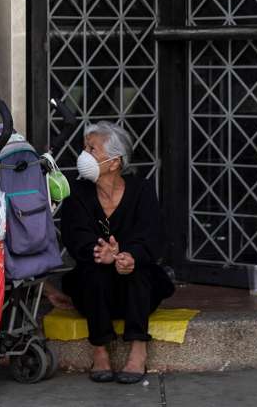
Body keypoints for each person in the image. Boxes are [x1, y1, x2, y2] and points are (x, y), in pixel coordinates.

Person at [58, 121, 175, 384]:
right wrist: (100, 252)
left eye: (92, 148)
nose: (84, 155)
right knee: (94, 271)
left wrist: (128, 255)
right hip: (95, 294)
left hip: (136, 292)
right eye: (84, 147)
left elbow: (152, 234)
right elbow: (74, 234)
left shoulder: (142, 190)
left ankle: (138, 348)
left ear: (114, 162)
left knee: (137, 270)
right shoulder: (77, 192)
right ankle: (99, 351)